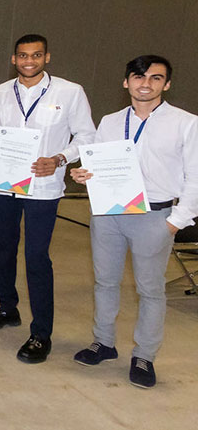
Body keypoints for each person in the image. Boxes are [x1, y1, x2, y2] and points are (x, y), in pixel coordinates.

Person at [70, 55, 197, 389]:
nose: (145, 83)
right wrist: (84, 174)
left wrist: (176, 222)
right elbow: (97, 163)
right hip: (109, 213)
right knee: (105, 282)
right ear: (126, 82)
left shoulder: (185, 123)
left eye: (155, 78)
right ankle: (104, 342)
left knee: (150, 289)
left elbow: (196, 178)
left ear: (166, 84)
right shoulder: (111, 121)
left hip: (155, 216)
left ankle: (145, 355)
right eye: (138, 77)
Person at [0, 35, 96, 364]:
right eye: (23, 56)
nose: (29, 61)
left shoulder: (70, 92)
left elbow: (87, 135)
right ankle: (7, 308)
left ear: (47, 57)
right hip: (4, 184)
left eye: (36, 55)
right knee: (3, 249)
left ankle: (41, 332)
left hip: (43, 187)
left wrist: (59, 158)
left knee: (36, 257)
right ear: (13, 59)